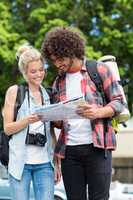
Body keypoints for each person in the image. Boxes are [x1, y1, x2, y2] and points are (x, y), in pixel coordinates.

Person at [41, 27, 125, 200]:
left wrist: (98, 112)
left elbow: (118, 102)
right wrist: (49, 116)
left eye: (60, 59)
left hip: (98, 148)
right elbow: (59, 121)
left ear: (71, 51)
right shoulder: (58, 81)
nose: (57, 64)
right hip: (69, 151)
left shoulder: (99, 70)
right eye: (54, 60)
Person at [3, 44, 60, 200]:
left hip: (45, 163)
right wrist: (27, 120)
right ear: (25, 73)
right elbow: (7, 129)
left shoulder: (48, 94)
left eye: (41, 70)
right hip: (20, 164)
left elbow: (51, 132)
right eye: (33, 71)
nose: (39, 74)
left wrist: (56, 163)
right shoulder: (15, 91)